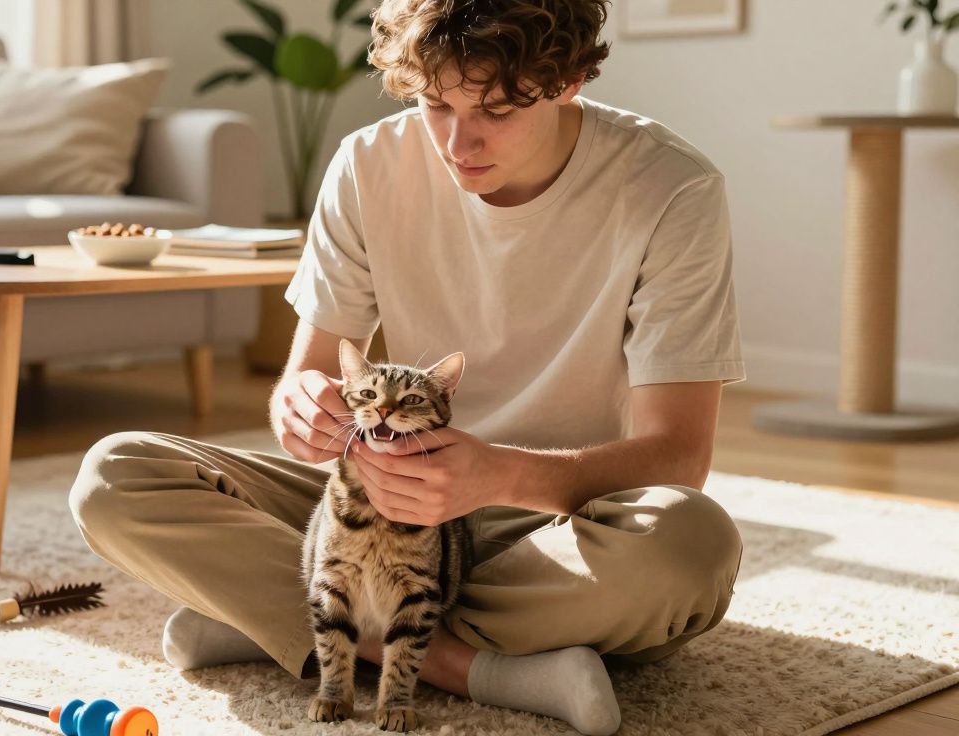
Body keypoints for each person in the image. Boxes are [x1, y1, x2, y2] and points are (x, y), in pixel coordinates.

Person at [70, 0, 744, 733]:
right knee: (116, 476)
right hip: (376, 507)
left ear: (570, 80)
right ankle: (473, 665)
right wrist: (300, 405)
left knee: (689, 547)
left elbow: (679, 456)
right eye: (435, 104)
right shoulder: (367, 164)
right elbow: (309, 371)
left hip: (554, 523)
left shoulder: (670, 188)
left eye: (496, 110)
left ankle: (283, 621)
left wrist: (497, 474)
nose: (457, 143)